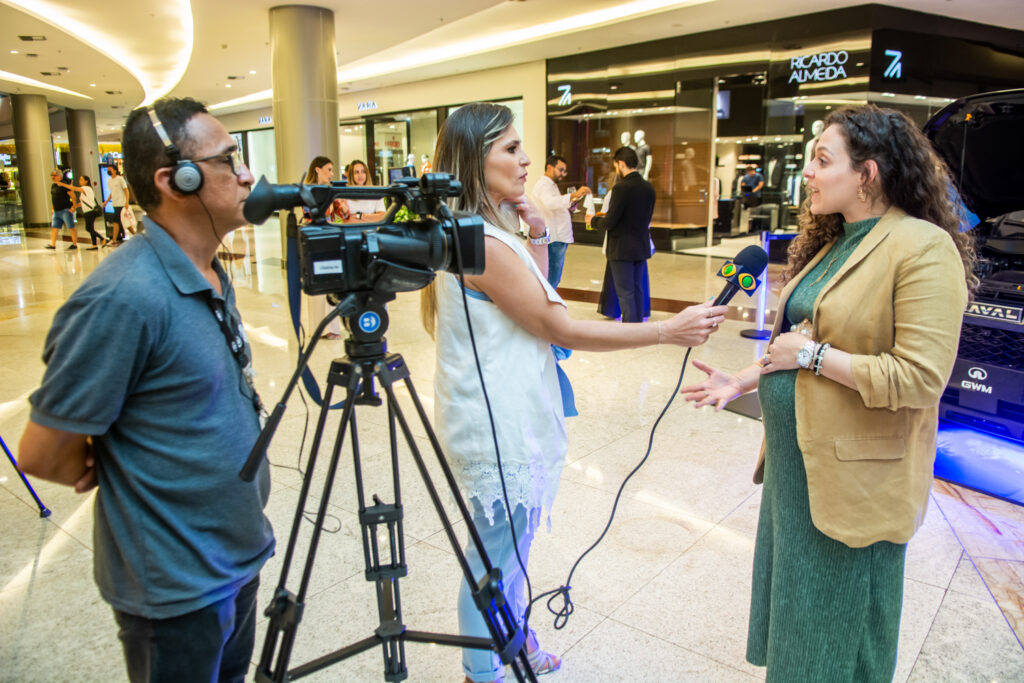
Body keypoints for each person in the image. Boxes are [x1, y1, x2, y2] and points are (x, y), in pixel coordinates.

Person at [419, 102, 728, 683]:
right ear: (471, 160)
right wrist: (665, 330)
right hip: (497, 420)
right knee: (495, 560)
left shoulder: (484, 232)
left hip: (511, 411)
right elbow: (559, 325)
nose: (526, 157)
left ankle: (512, 639)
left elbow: (540, 287)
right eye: (509, 148)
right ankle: (477, 673)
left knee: (509, 554)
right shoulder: (476, 242)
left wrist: (533, 224)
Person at [680, 105, 975, 682]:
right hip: (799, 475)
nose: (807, 174)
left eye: (821, 159)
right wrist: (742, 380)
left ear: (868, 173)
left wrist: (809, 357)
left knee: (837, 644)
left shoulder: (922, 247)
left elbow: (920, 377)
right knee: (799, 633)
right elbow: (801, 340)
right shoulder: (835, 240)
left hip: (855, 485)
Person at [18, 96, 274, 683]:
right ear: (174, 180)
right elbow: (42, 452)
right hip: (176, 584)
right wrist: (116, 462)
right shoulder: (123, 297)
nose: (245, 175)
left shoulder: (208, 267)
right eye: (227, 159)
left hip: (235, 553)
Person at [591, 147, 656, 323]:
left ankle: (630, 329)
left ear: (621, 163)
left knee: (625, 292)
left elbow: (610, 221)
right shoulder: (648, 188)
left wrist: (593, 221)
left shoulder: (621, 188)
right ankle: (637, 326)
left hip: (621, 248)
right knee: (637, 289)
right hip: (640, 246)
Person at [531, 154, 590, 289]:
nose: (563, 174)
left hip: (558, 236)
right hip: (554, 238)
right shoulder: (543, 185)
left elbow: (556, 205)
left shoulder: (551, 185)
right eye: (561, 170)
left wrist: (573, 202)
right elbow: (550, 203)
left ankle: (548, 302)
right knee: (552, 276)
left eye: (565, 171)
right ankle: (548, 304)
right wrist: (573, 195)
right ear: (549, 167)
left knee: (554, 275)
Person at [302, 155, 344, 340]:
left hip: (330, 237)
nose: (331, 174)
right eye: (328, 169)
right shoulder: (307, 191)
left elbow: (340, 214)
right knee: (316, 280)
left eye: (332, 170)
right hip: (314, 238)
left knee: (331, 280)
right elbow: (307, 214)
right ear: (317, 169)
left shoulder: (332, 191)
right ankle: (317, 327)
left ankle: (332, 328)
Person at [45, 168, 80, 250]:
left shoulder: (64, 185)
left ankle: (74, 244)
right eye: (52, 175)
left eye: (55, 175)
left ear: (60, 176)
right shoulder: (53, 185)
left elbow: (73, 195)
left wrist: (74, 207)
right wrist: (53, 208)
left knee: (71, 227)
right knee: (54, 227)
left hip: (65, 210)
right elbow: (54, 198)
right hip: (57, 211)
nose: (53, 177)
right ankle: (52, 244)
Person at [102, 164, 133, 243]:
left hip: (121, 203)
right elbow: (112, 192)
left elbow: (126, 190)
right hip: (115, 204)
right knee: (123, 222)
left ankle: (114, 239)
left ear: (115, 170)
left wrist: (126, 202)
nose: (109, 170)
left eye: (110, 169)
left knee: (116, 221)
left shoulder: (120, 179)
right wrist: (106, 201)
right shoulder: (109, 180)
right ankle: (135, 235)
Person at [77, 174, 107, 249]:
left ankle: (102, 238)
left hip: (89, 212)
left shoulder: (86, 188)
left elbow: (74, 188)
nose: (79, 181)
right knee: (91, 228)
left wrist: (63, 185)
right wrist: (75, 206)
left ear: (86, 181)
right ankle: (94, 244)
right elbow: (85, 202)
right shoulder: (86, 189)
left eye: (81, 179)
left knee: (88, 228)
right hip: (88, 211)